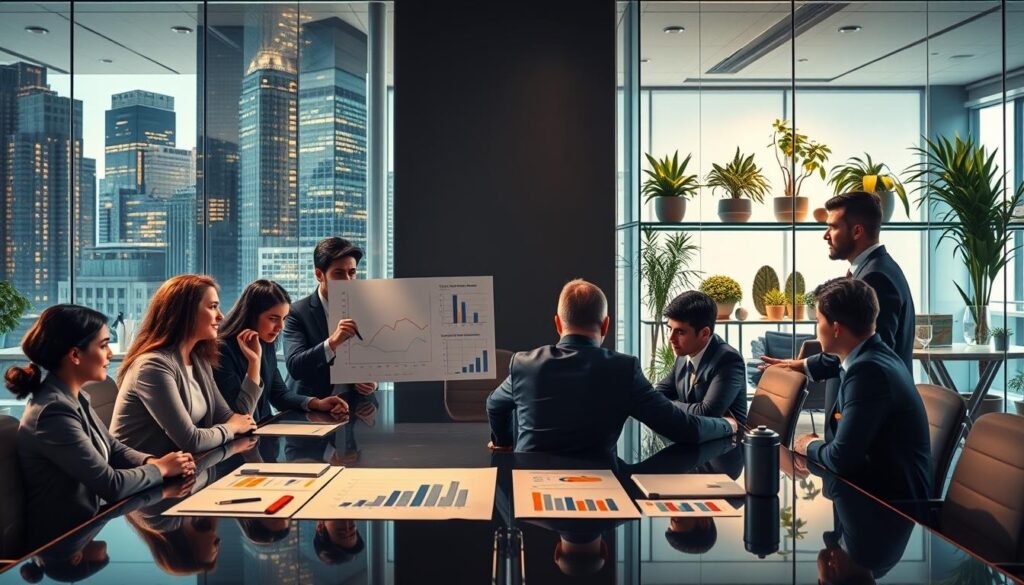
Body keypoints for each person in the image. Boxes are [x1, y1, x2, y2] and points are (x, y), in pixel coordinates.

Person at [6, 305, 196, 550]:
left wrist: (151, 462)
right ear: (75, 355)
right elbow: (112, 485)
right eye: (103, 345)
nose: (109, 354)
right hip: (61, 542)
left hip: (86, 526)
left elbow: (113, 449)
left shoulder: (73, 397)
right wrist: (160, 469)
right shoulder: (52, 413)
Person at [487, 279, 737, 456]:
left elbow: (494, 405)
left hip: (531, 489)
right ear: (606, 326)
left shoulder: (523, 364)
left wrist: (504, 441)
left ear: (557, 324)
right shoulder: (623, 370)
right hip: (602, 489)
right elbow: (685, 430)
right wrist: (729, 425)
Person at [791, 278, 932, 501]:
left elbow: (840, 459)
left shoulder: (868, 371)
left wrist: (808, 444)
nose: (816, 331)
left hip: (889, 507)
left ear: (836, 328)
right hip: (874, 490)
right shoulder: (873, 357)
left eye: (818, 321)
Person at [762, 191, 915, 383]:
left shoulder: (875, 277)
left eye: (833, 227)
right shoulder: (877, 267)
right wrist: (801, 365)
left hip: (870, 400)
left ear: (857, 231)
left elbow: (869, 353)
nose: (826, 235)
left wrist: (804, 365)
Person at [111, 275, 257, 456]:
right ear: (185, 312)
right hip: (146, 476)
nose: (221, 316)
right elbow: (191, 441)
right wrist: (232, 428)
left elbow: (233, 417)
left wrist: (254, 363)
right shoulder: (152, 366)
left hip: (185, 469)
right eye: (212, 307)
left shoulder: (198, 359)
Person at [214, 279, 348, 422]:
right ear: (251, 315)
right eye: (273, 319)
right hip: (238, 439)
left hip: (264, 431)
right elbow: (240, 413)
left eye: (283, 318)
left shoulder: (264, 342)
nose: (281, 327)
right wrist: (254, 362)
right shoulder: (222, 350)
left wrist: (317, 403)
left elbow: (279, 394)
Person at [283, 237, 377, 401]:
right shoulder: (296, 312)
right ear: (319, 275)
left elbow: (378, 357)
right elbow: (295, 366)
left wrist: (373, 382)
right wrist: (332, 342)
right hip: (310, 407)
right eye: (339, 273)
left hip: (355, 406)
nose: (347, 280)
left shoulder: (366, 309)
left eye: (352, 272)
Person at [654, 291, 747, 425]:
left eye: (680, 332)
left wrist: (665, 405)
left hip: (727, 442)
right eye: (669, 329)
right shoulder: (684, 354)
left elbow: (706, 413)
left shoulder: (728, 360)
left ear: (704, 333)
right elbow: (658, 394)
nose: (670, 338)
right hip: (693, 434)